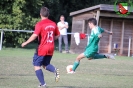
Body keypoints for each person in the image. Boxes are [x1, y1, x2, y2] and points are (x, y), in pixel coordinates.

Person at [21, 7, 60, 88]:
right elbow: (58, 35)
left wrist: (26, 42)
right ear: (48, 14)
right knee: (45, 64)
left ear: (40, 14)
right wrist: (51, 39)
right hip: (51, 47)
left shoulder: (39, 24)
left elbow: (35, 35)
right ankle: (55, 70)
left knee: (36, 65)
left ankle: (43, 84)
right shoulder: (53, 24)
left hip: (42, 48)